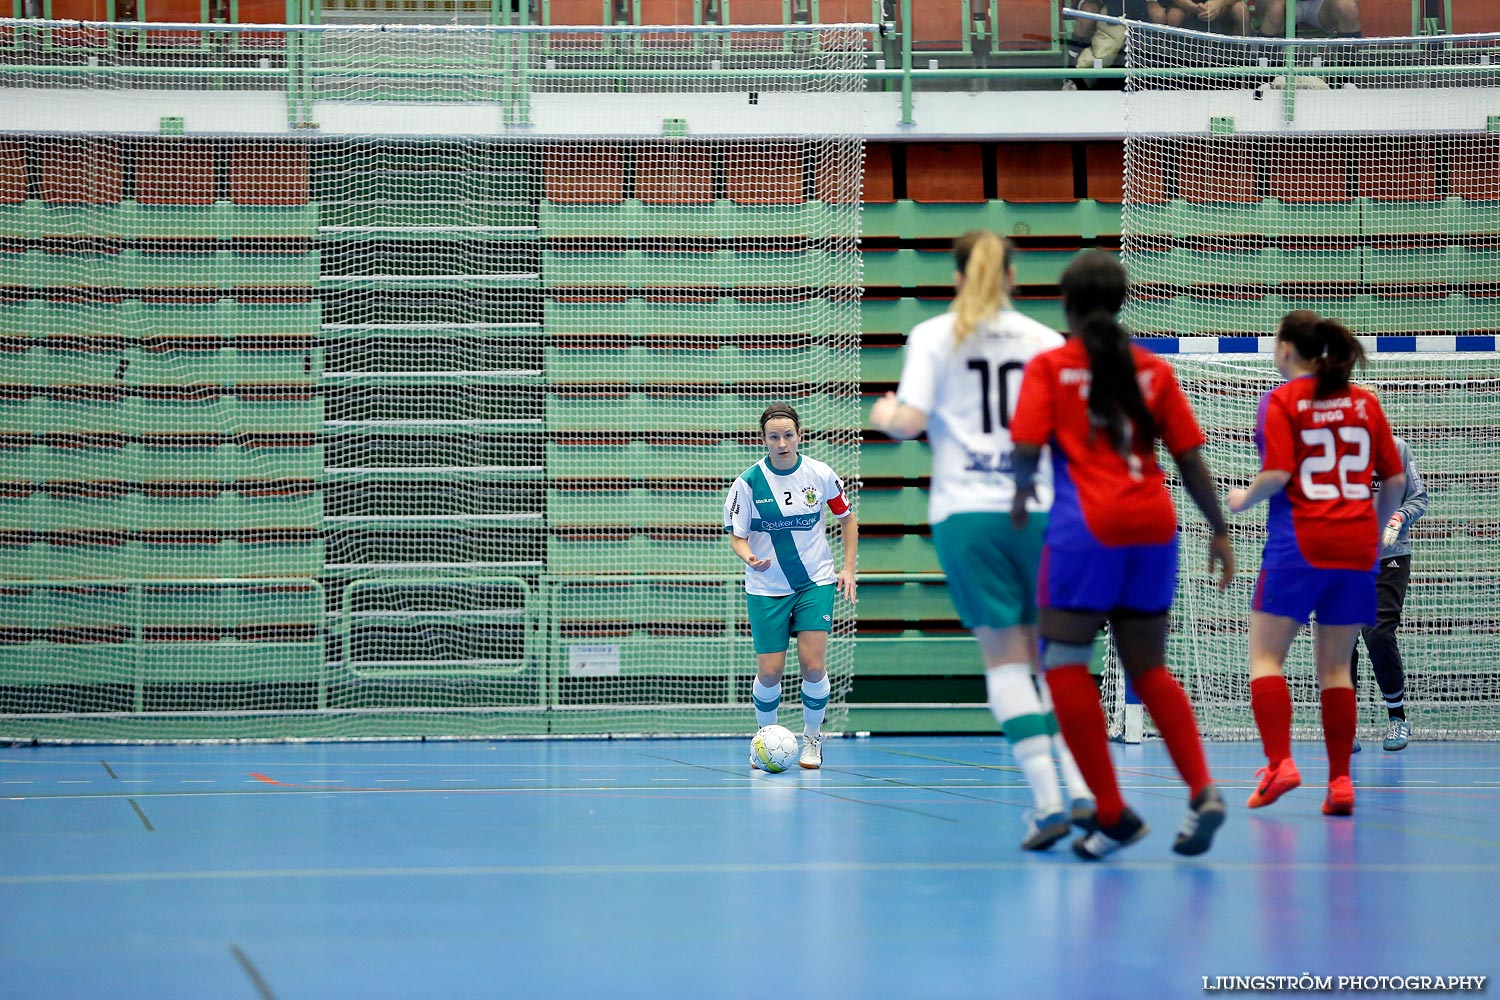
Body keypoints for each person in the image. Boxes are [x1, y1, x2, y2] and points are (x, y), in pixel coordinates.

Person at [870, 230, 1096, 852]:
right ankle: (1080, 786)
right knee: (1052, 661)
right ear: (1014, 276)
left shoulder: (935, 335)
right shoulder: (1047, 342)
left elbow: (909, 424)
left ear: (957, 278)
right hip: (1041, 511)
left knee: (1004, 659)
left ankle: (1049, 800)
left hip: (967, 512)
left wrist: (884, 413)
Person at [1009, 251, 1235, 861]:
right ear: (1120, 300)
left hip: (1087, 529)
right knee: (1150, 670)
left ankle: (1111, 811)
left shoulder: (1052, 367)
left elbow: (1025, 450)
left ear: (1067, 305)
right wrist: (1219, 530)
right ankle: (1203, 790)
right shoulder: (1153, 370)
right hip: (1154, 527)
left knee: (1061, 665)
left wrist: (1022, 497)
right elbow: (1189, 459)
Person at [1227, 311, 1405, 817]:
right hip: (1355, 550)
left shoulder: (1282, 401)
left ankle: (1280, 762)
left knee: (1265, 658)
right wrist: (1372, 532)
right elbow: (1393, 483)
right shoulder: (1367, 404)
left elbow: (1280, 471)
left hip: (1299, 545)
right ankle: (1341, 783)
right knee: (1335, 669)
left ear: (1286, 351)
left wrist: (1244, 497)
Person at [724, 402, 857, 770]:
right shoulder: (747, 484)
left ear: (799, 435)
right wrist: (749, 556)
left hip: (815, 581)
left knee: (813, 666)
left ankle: (813, 739)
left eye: (788, 435)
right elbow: (736, 536)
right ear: (763, 439)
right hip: (766, 586)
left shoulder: (820, 474)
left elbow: (847, 520)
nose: (782, 443)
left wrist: (847, 569)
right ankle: (764, 740)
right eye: (774, 437)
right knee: (769, 672)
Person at [1350, 435, 1427, 752]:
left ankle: (1397, 718)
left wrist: (1397, 518)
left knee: (1378, 633)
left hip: (1389, 556)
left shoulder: (1397, 449)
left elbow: (1418, 498)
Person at [1258, 0, 1361, 38]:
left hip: (1320, 4)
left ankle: (1347, 81)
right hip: (1282, 3)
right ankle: (1265, 81)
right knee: (1276, 10)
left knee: (1348, 8)